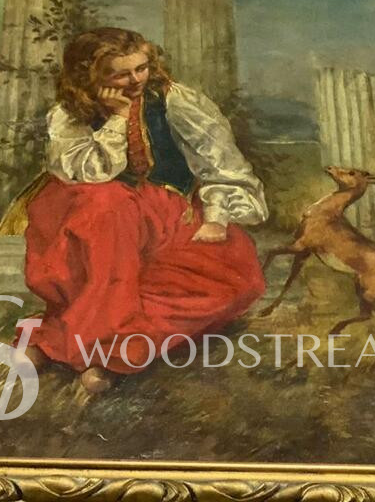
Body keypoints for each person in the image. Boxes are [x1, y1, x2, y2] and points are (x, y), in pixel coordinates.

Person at [22, 26, 268, 393]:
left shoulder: (174, 100)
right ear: (90, 75)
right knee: (108, 206)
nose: (136, 79)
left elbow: (221, 165)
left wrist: (216, 217)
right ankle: (112, 354)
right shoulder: (70, 115)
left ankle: (59, 340)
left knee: (237, 278)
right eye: (120, 74)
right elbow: (89, 173)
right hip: (93, 218)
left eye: (141, 68)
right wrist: (119, 118)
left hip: (164, 216)